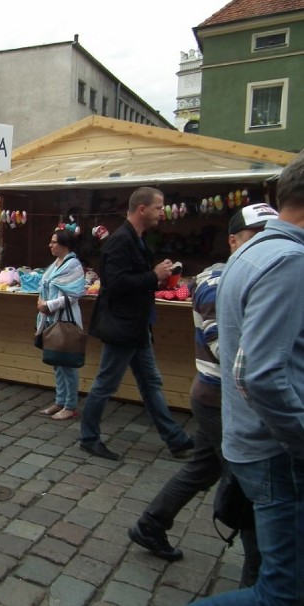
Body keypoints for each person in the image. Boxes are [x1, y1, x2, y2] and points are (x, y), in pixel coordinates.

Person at [128, 204, 278, 581]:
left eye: (271, 234)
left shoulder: (256, 275)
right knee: (251, 485)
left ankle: (151, 523)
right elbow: (222, 346)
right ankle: (258, 579)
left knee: (203, 467)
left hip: (221, 395)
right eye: (255, 235)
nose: (264, 243)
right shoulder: (216, 281)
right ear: (232, 241)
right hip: (222, 396)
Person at [192, 154, 304, 605]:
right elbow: (259, 372)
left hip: (250, 439)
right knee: (283, 593)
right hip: (274, 449)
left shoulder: (252, 253)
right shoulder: (288, 261)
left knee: (265, 570)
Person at [79, 187, 193, 461]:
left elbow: (133, 279)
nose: (161, 213)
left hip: (137, 325)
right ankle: (88, 438)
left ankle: (177, 440)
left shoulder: (136, 239)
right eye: (158, 207)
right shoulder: (120, 241)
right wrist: (153, 276)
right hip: (122, 326)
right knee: (106, 384)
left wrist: (159, 275)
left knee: (151, 383)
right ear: (142, 209)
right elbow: (116, 285)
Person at [36, 228, 86, 421]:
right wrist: (42, 303)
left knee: (67, 365)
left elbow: (74, 294)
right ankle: (60, 400)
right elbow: (45, 286)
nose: (50, 245)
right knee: (57, 362)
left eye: (54, 242)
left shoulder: (73, 265)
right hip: (51, 320)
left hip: (65, 320)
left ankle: (70, 405)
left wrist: (48, 305)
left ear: (65, 245)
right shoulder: (55, 264)